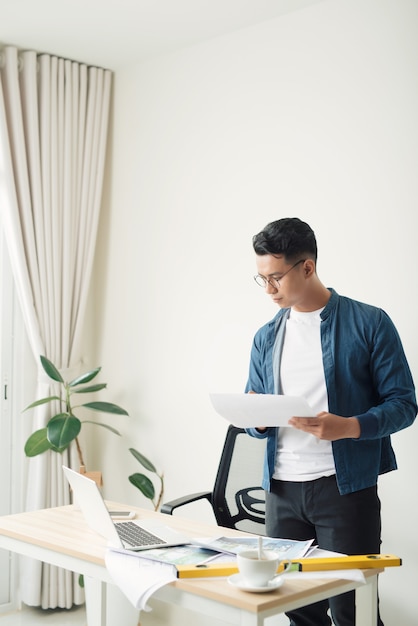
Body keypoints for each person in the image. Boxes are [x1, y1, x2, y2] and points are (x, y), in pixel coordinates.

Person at [245, 217, 417, 626]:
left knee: (352, 608)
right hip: (282, 492)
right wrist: (257, 420)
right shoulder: (265, 337)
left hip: (344, 492)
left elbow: (404, 404)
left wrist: (350, 426)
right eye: (261, 279)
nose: (268, 289)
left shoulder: (370, 322)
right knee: (297, 609)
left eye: (276, 277)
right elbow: (255, 412)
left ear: (307, 267)